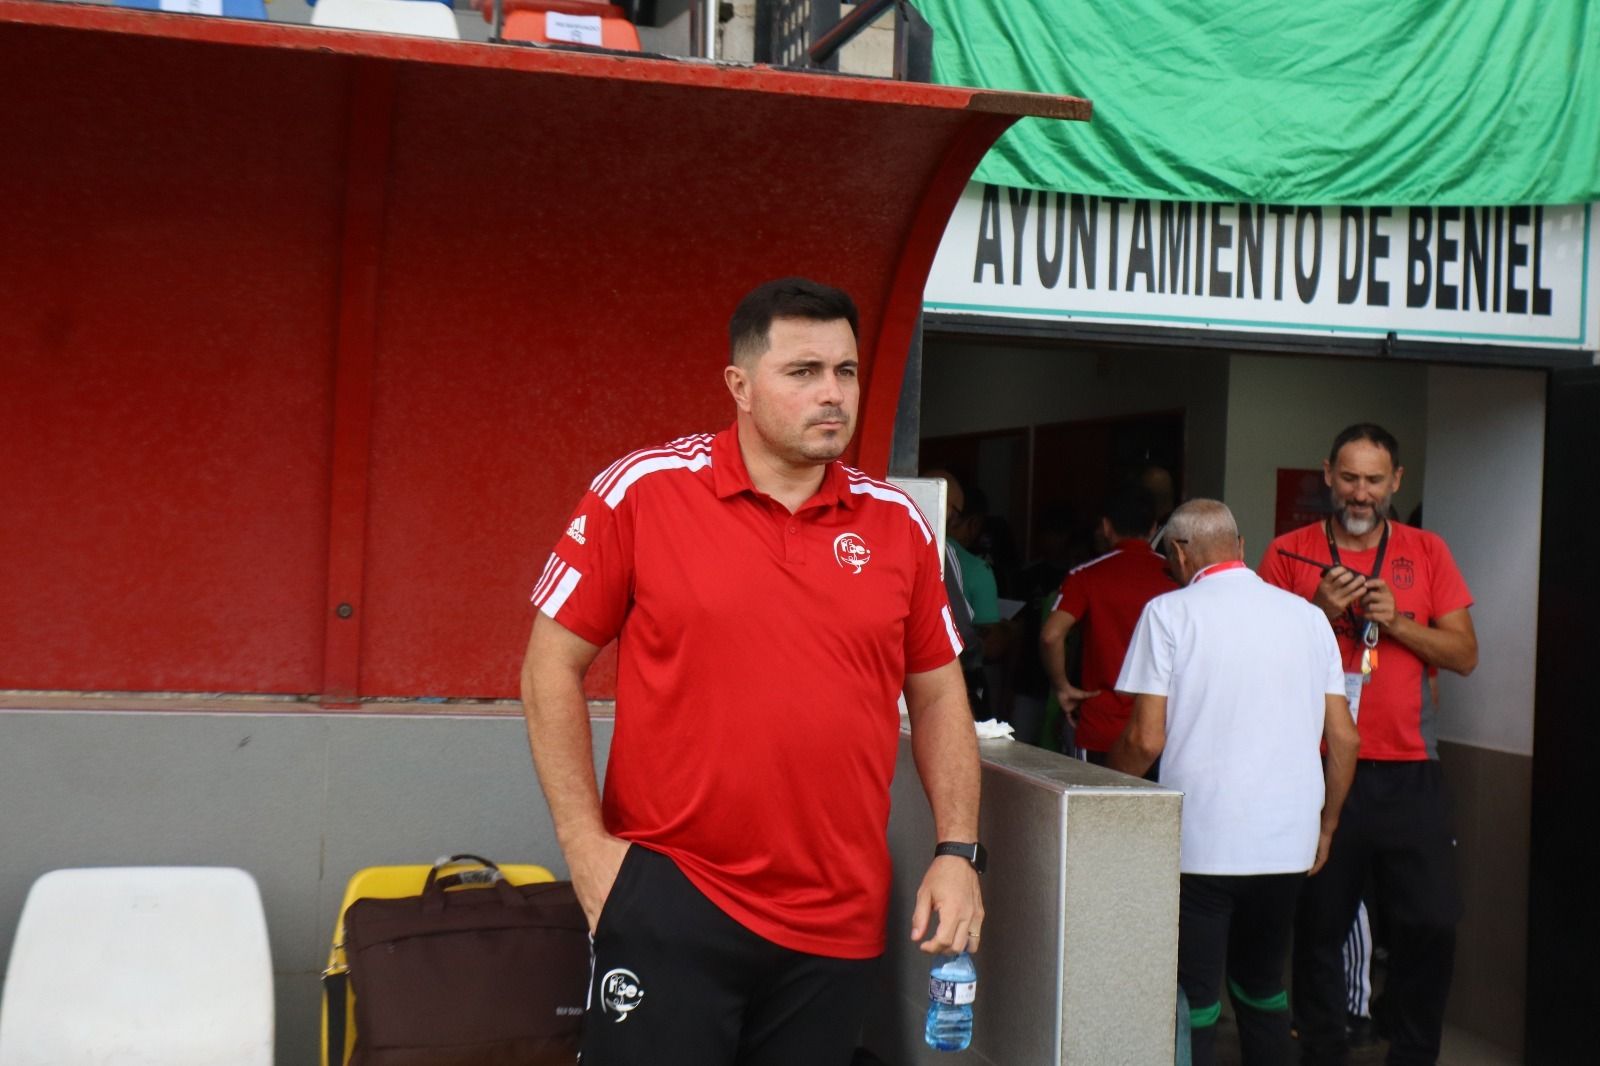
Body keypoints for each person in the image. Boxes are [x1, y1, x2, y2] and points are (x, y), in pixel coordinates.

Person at [519, 277, 986, 1065]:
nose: (831, 394)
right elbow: (547, 668)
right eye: (802, 372)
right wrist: (589, 855)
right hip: (672, 898)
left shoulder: (897, 523)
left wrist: (958, 852)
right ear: (738, 385)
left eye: (845, 371)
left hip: (837, 922)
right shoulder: (644, 491)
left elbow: (939, 696)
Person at [1110, 499, 1361, 1066]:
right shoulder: (1308, 617)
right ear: (1241, 547)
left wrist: (1101, 785)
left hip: (1201, 847)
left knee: (1197, 999)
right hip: (1286, 847)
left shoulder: (1169, 613)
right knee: (1263, 987)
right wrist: (1326, 826)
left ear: (1179, 551)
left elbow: (1144, 741)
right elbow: (1345, 740)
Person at [1259, 423, 1477, 1066]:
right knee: (1318, 928)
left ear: (1396, 483)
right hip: (1320, 769)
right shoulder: (1288, 552)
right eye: (1349, 478)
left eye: (1374, 481)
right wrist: (1320, 613)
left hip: (1410, 770)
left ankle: (1413, 1053)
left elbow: (1464, 653)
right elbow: (1263, 662)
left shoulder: (1426, 550)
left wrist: (1398, 623)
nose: (1361, 493)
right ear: (1328, 474)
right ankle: (1324, 1050)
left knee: (1431, 923)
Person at [1039, 484, 1176, 764]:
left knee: (1093, 808)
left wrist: (1062, 687)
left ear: (1105, 526)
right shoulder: (1176, 576)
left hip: (1100, 727)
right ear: (1153, 528)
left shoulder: (1086, 575)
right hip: (1163, 729)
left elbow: (1051, 635)